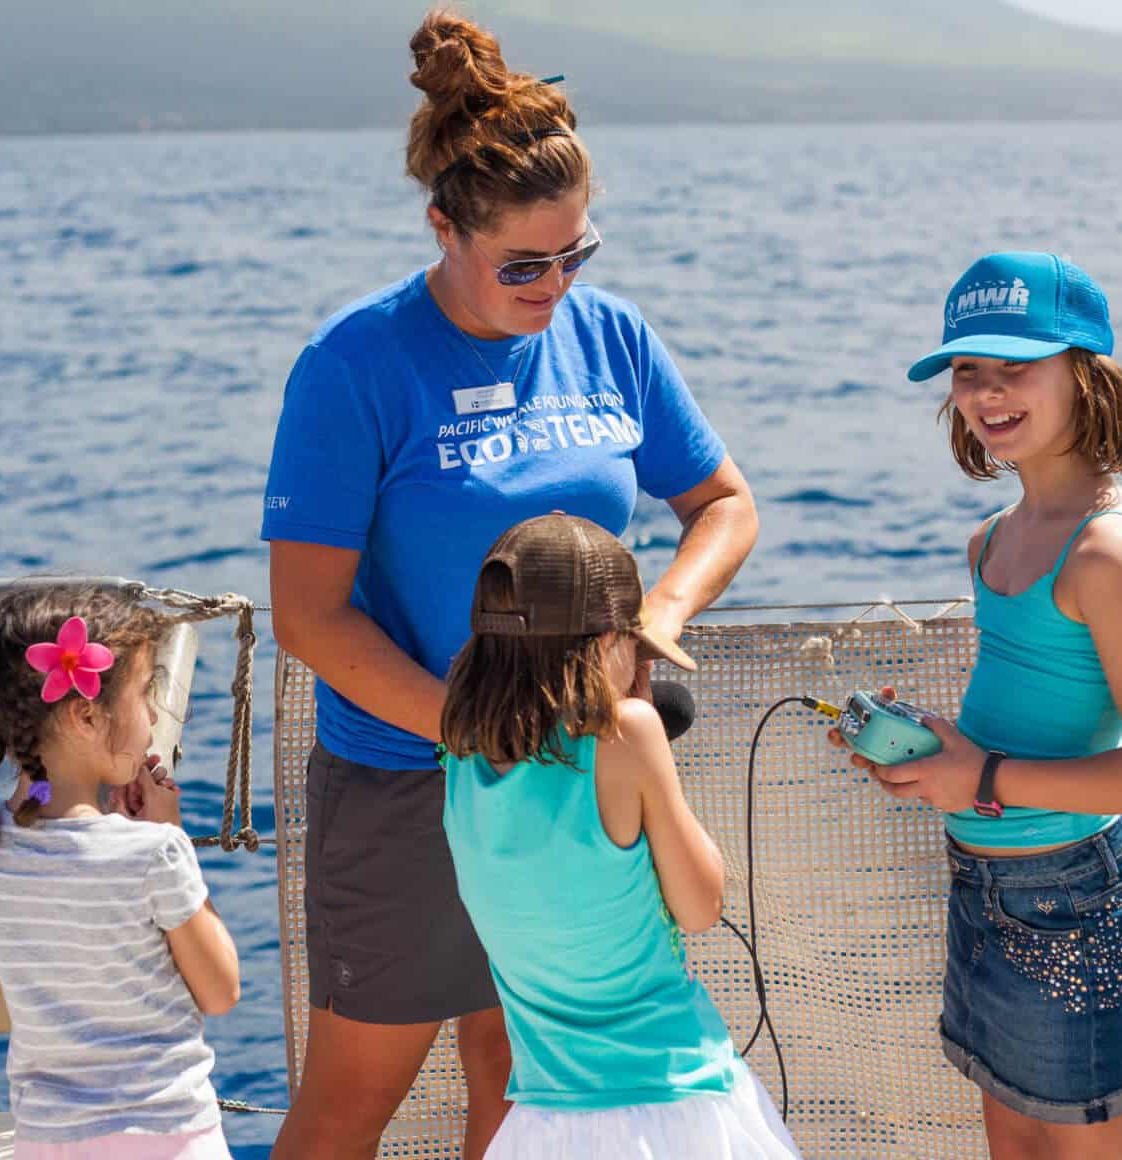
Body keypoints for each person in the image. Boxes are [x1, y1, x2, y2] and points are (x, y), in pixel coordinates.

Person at [259, 12, 758, 1158]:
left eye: (575, 254)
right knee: (353, 1094)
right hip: (405, 777)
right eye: (522, 264)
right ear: (444, 226)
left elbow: (724, 504)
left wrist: (661, 618)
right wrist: (476, 728)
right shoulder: (354, 363)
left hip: (578, 780)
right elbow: (308, 615)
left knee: (524, 1081)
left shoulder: (611, 335)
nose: (554, 284)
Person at [830, 252, 1122, 1159]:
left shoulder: (1105, 551)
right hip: (984, 889)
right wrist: (939, 753)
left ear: (1084, 374)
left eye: (1015, 369)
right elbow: (1029, 711)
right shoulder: (990, 540)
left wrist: (982, 774)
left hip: (1083, 902)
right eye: (968, 372)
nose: (987, 393)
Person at [438, 513, 798, 1159]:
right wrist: (634, 706)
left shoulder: (459, 752)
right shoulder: (627, 733)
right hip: (672, 1099)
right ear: (608, 641)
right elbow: (700, 906)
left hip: (545, 1117)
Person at [0, 585, 240, 1159]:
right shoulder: (154, 854)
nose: (154, 714)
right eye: (143, 693)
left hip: (49, 1140)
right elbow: (220, 990)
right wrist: (170, 834)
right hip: (169, 1135)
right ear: (86, 713)